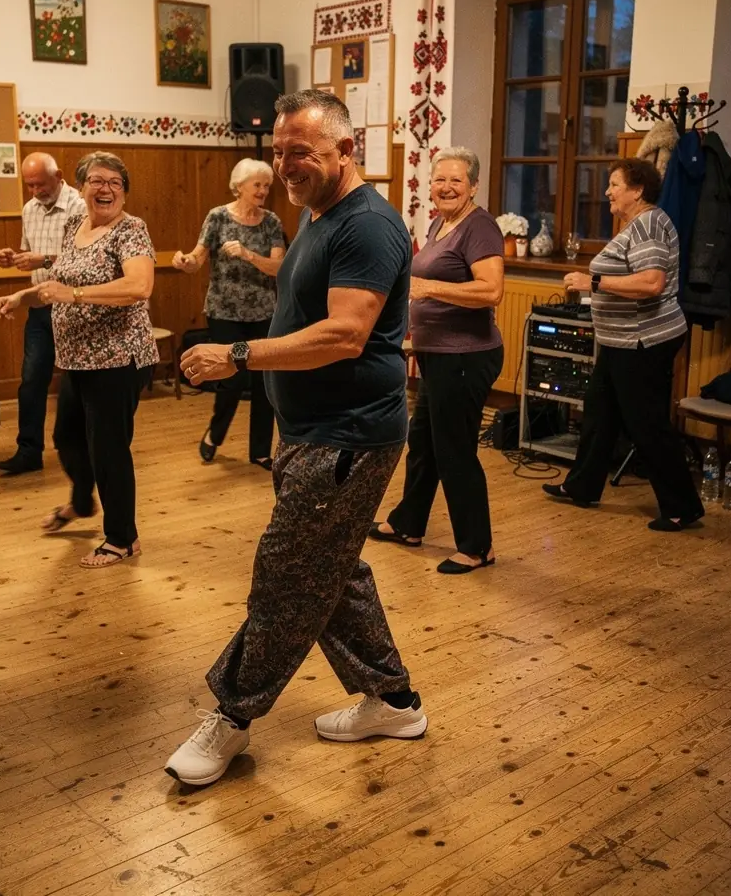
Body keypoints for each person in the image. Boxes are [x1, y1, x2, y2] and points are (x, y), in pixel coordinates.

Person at [166, 90, 425, 788]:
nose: (285, 165)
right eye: (279, 152)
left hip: (349, 436)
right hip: (310, 431)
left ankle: (233, 714)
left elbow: (345, 334)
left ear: (347, 150)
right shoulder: (317, 214)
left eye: (301, 151)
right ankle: (394, 701)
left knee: (286, 573)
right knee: (330, 568)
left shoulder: (367, 225)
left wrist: (240, 354)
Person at [0, 151, 158, 568]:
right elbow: (60, 279)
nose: (106, 189)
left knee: (108, 449)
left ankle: (122, 538)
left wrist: (74, 295)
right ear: (82, 187)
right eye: (97, 181)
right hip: (78, 359)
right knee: (67, 438)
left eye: (115, 183)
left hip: (118, 358)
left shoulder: (131, 230)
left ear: (124, 192)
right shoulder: (74, 225)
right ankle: (82, 502)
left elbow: (139, 286)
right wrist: (24, 295)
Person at [542, 157, 705, 532]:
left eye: (614, 185)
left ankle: (682, 507)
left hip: (643, 340)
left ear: (638, 190)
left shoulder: (648, 225)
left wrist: (593, 283)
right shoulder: (639, 223)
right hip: (622, 340)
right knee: (600, 411)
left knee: (646, 423)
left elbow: (651, 283)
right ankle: (582, 486)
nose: (607, 192)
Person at [370, 147, 505, 573]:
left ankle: (478, 547)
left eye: (456, 180)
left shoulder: (480, 227)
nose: (446, 187)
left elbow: (491, 291)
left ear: (473, 186)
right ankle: (408, 523)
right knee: (424, 443)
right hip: (438, 355)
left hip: (466, 357)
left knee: (455, 451)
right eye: (439, 180)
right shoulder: (439, 223)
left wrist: (428, 289)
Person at [172, 158, 286, 469]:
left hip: (263, 312)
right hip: (224, 311)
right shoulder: (218, 217)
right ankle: (215, 433)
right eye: (257, 184)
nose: (263, 190)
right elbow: (197, 259)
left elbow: (279, 268)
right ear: (239, 186)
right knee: (231, 378)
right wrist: (185, 262)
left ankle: (260, 451)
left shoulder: (272, 222)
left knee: (264, 385)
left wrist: (248, 255)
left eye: (266, 186)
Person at [0, 152, 85, 475]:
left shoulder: (79, 206)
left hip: (74, 306)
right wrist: (12, 259)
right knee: (31, 380)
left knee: (78, 383)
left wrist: (43, 259)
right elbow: (29, 255)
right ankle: (28, 452)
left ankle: (81, 450)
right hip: (40, 305)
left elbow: (83, 258)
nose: (35, 191)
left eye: (41, 184)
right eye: (29, 185)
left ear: (58, 176)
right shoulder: (29, 209)